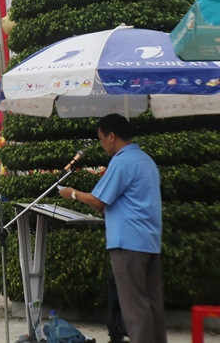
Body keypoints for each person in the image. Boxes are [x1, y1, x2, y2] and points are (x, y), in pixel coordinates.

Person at [60, 112, 166, 343]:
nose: (101, 145)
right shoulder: (146, 160)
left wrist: (73, 193)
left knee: (134, 308)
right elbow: (131, 199)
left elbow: (99, 199)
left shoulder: (121, 161)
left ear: (111, 136)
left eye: (101, 139)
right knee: (152, 304)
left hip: (127, 243)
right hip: (149, 241)